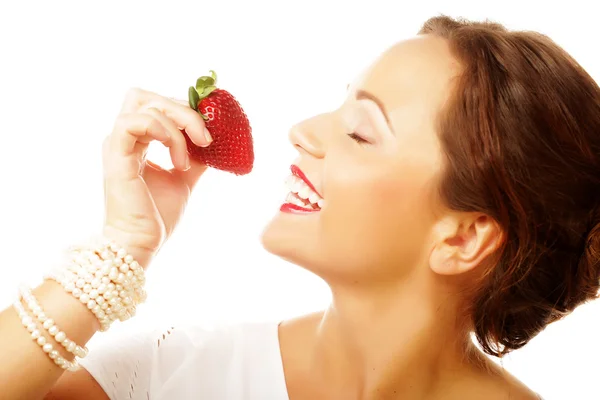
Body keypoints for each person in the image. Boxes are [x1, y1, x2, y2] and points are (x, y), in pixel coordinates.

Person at [0, 14, 597, 400]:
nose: (301, 131)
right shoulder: (178, 374)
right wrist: (119, 252)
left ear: (463, 239)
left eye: (361, 132)